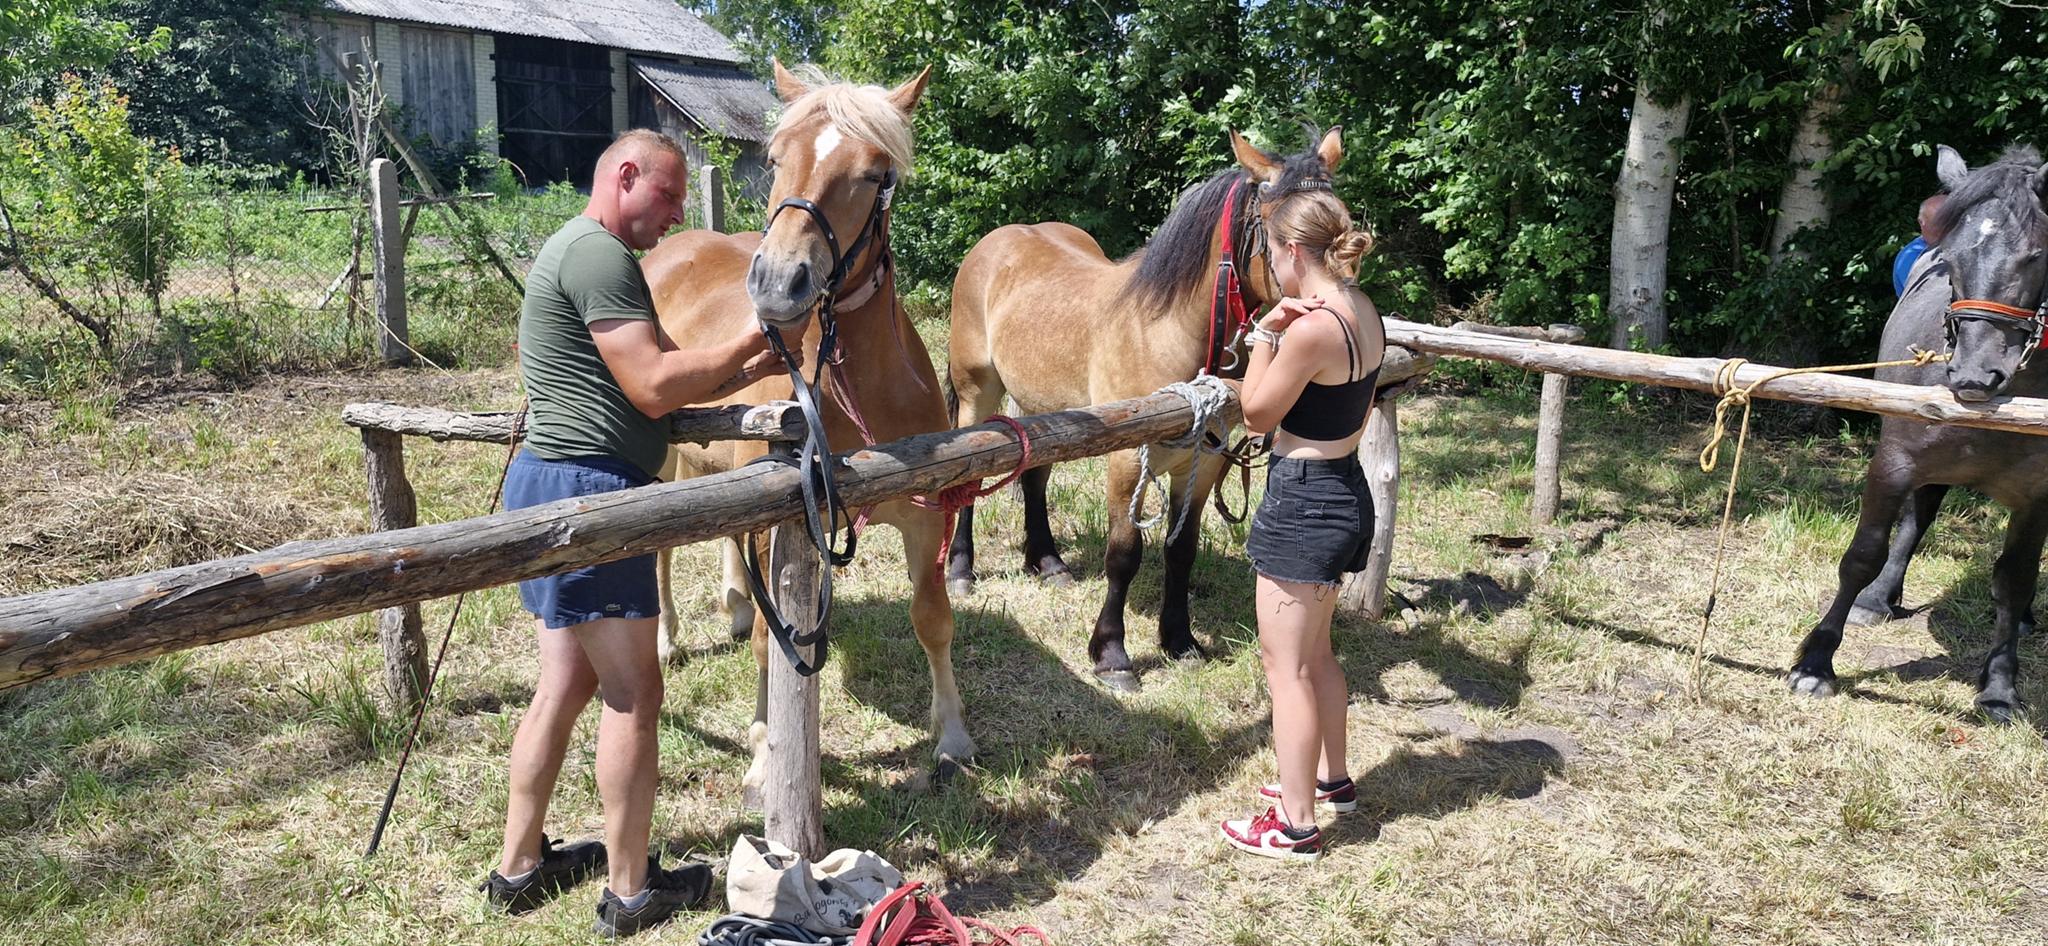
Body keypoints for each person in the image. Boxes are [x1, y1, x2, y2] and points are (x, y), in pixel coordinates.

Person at [483, 129, 788, 936]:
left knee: (564, 686)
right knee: (634, 695)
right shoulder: (599, 257)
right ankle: (629, 892)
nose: (678, 214)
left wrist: (742, 367)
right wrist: (751, 339)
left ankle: (518, 867)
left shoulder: (577, 251)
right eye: (670, 194)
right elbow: (653, 385)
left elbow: (668, 371)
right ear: (625, 176)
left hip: (553, 483)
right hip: (593, 494)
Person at [1217, 182, 1381, 862]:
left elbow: (1257, 413)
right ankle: (1330, 782)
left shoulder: (1310, 329)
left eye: (1270, 252)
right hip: (1344, 487)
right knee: (1316, 656)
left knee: (1285, 670)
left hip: (1305, 502)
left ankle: (1294, 825)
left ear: (1290, 251)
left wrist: (1264, 332)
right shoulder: (1361, 308)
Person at [1893, 193, 1948, 296]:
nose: (1945, 227)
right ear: (1921, 222)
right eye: (1938, 223)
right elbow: (1930, 295)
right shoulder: (1912, 256)